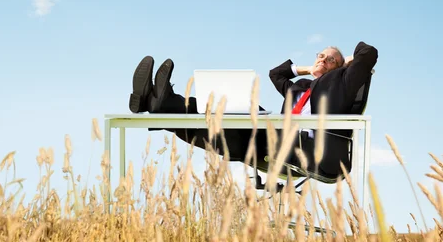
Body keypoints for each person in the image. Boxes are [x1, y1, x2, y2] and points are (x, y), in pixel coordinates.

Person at [128, 41, 378, 178]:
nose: (322, 60)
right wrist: (309, 69)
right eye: (320, 55)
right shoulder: (299, 87)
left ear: (340, 68)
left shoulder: (340, 86)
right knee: (234, 109)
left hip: (305, 151)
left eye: (329, 59)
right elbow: (276, 74)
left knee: (238, 125)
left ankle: (156, 104)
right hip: (274, 139)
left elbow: (368, 53)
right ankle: (159, 102)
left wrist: (346, 65)